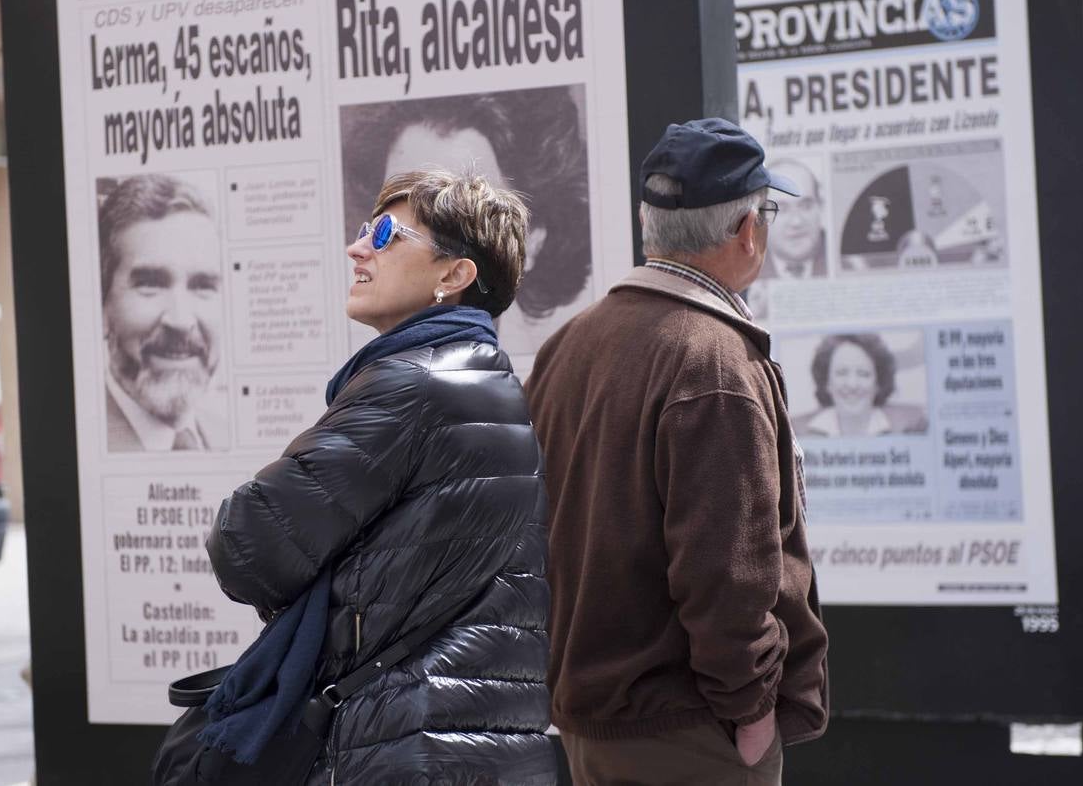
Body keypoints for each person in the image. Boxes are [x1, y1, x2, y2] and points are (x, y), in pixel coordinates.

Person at [204, 167, 553, 784]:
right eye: (367, 228)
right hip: (482, 744)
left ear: (454, 274)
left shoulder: (410, 386)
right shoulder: (489, 380)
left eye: (388, 233)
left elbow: (248, 541)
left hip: (400, 747)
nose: (358, 246)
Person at [526, 118, 828, 785]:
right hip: (685, 733)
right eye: (767, 213)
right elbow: (728, 574)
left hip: (591, 721)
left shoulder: (570, 343)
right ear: (748, 230)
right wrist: (750, 718)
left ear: (650, 223)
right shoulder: (714, 361)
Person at [340, 87, 592, 355]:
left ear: (529, 241)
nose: (357, 249)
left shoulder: (552, 372)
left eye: (453, 206)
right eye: (394, 202)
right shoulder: (370, 367)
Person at [98, 174, 225, 452]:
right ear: (103, 307)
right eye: (150, 284)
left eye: (203, 286)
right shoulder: (83, 444)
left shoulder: (225, 435)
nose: (180, 321)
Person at [794, 333, 928, 438]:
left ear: (878, 383)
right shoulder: (797, 431)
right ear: (827, 382)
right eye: (842, 373)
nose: (852, 385)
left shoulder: (912, 427)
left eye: (863, 374)